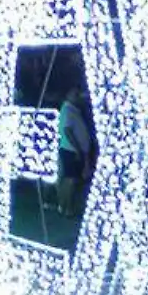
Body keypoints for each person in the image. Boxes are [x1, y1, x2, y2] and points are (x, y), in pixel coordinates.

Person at [57, 87, 92, 217]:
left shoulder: (74, 110)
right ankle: (66, 207)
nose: (78, 96)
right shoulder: (67, 110)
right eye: (75, 94)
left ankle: (66, 206)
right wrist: (77, 148)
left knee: (72, 179)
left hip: (74, 150)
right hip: (71, 150)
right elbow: (67, 130)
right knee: (70, 180)